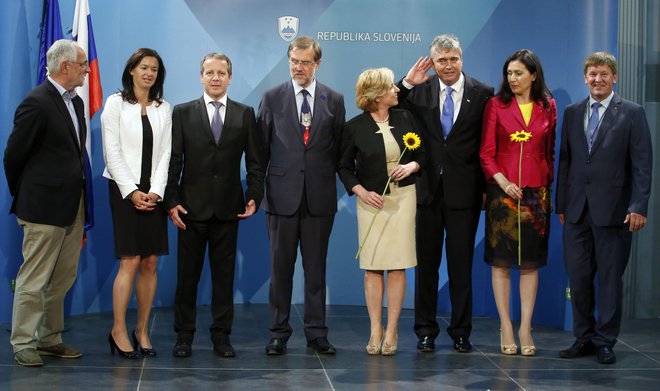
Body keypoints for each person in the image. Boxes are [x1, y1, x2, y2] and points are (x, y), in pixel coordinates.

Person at [397, 34, 494, 353]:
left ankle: (461, 331)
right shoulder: (419, 91)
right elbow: (388, 102)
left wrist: (486, 190)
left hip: (465, 193)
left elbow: (486, 146)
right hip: (426, 192)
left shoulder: (484, 93)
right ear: (433, 63)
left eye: (453, 59)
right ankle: (425, 330)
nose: (448, 65)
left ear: (461, 59)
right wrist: (407, 83)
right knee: (426, 265)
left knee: (460, 265)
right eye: (441, 61)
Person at [165, 53, 264, 358]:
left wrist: (255, 195)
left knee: (224, 278)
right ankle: (184, 336)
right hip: (190, 210)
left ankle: (222, 336)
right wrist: (171, 202)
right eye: (210, 72)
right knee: (187, 278)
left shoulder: (245, 114)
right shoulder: (182, 113)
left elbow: (256, 162)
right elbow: (174, 162)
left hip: (228, 209)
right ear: (201, 76)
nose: (216, 77)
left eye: (222, 72)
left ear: (230, 78)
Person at [556, 52, 652, 364]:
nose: (598, 79)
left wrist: (638, 205)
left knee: (610, 280)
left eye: (604, 74)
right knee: (579, 278)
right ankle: (582, 338)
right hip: (576, 212)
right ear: (585, 78)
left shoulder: (632, 113)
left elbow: (642, 164)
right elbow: (567, 161)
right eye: (593, 74)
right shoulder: (572, 112)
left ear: (614, 78)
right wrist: (561, 204)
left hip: (615, 211)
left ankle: (605, 340)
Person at [257, 36, 345, 355]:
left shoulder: (333, 99)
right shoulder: (271, 97)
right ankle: (279, 333)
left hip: (319, 198)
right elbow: (259, 150)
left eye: (305, 62)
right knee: (280, 271)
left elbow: (339, 149)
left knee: (316, 271)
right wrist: (258, 192)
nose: (298, 67)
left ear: (317, 64)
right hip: (281, 198)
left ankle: (316, 332)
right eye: (294, 61)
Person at [4, 39, 90, 367]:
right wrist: (29, 193)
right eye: (82, 63)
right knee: (34, 278)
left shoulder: (76, 102)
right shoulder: (36, 102)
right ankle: (23, 342)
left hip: (73, 206)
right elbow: (14, 155)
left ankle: (49, 339)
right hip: (42, 208)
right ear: (64, 66)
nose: (87, 68)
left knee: (62, 277)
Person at [338, 68, 423, 356]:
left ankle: (393, 328)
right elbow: (344, 166)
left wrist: (412, 166)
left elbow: (422, 154)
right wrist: (360, 191)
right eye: (391, 87)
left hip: (403, 198)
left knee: (398, 264)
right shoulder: (354, 127)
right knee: (373, 266)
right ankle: (375, 327)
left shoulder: (406, 117)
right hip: (371, 201)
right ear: (376, 95)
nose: (397, 90)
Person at [479, 49, 556, 356]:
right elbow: (486, 153)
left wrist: (544, 182)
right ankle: (506, 326)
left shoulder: (547, 105)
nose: (512, 79)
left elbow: (550, 153)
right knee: (501, 262)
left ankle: (525, 326)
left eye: (519, 73)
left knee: (530, 264)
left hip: (537, 195)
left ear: (533, 75)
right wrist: (503, 182)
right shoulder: (496, 104)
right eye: (509, 73)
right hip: (502, 194)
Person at [101, 48, 171, 359]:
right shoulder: (115, 104)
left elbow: (167, 153)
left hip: (153, 192)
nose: (149, 73)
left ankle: (141, 329)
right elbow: (112, 152)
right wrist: (131, 192)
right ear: (131, 70)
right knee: (129, 260)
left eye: (154, 69)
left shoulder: (162, 107)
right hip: (123, 190)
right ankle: (118, 330)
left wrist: (155, 191)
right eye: (144, 67)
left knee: (150, 262)